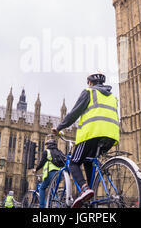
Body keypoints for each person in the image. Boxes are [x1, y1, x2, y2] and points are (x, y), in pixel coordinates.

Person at [52, 73, 119, 208]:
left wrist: (59, 127)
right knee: (89, 162)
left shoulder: (89, 92)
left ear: (89, 83)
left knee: (73, 163)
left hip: (92, 133)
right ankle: (90, 197)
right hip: (111, 136)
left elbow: (74, 113)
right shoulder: (112, 97)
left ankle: (84, 189)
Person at [32, 136, 62, 208]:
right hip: (59, 174)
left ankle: (42, 206)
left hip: (50, 173)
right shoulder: (59, 152)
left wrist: (36, 169)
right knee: (53, 190)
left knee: (42, 188)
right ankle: (55, 205)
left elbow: (42, 162)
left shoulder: (47, 152)